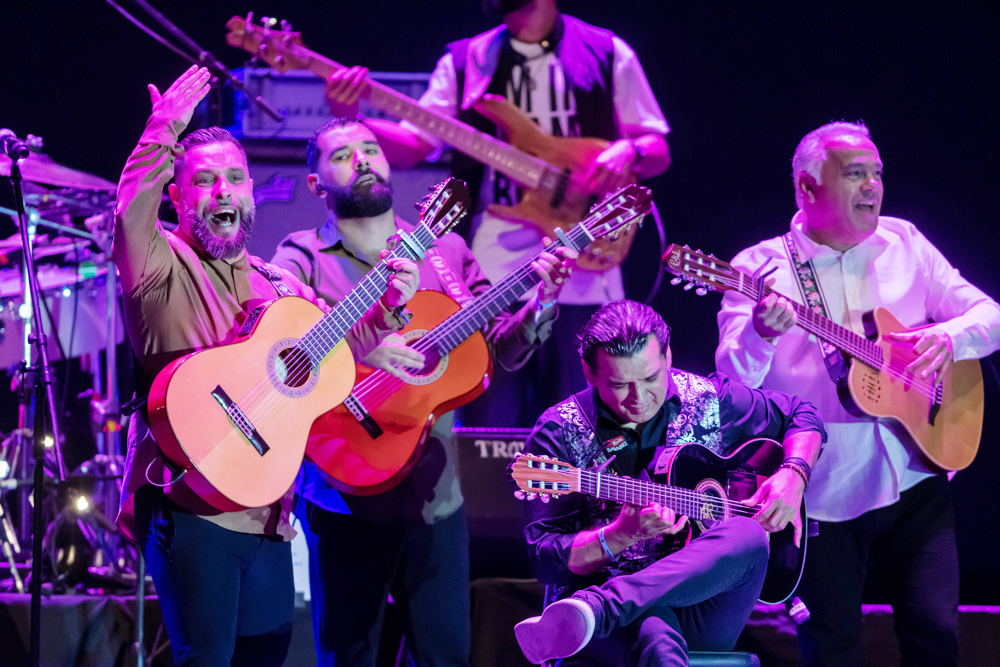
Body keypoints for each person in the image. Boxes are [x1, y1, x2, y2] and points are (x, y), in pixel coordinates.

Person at [113, 66, 419, 666]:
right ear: (176, 196)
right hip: (189, 501)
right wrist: (162, 128)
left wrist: (389, 307)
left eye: (234, 179)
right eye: (204, 181)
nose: (223, 191)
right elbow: (130, 212)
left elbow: (334, 351)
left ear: (252, 191)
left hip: (268, 516)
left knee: (268, 654)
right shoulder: (156, 264)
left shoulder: (276, 284)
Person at [269, 116, 576, 666]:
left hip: (437, 497)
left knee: (446, 657)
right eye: (343, 155)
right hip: (344, 489)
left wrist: (542, 301)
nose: (363, 159)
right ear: (316, 184)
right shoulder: (302, 255)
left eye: (371, 149)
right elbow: (280, 332)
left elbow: (499, 348)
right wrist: (363, 346)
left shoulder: (447, 252)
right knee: (350, 656)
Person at [715, 121, 1000, 666]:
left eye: (877, 174)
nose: (873, 186)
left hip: (918, 469)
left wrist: (947, 337)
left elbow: (990, 314)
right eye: (855, 174)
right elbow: (733, 385)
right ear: (808, 187)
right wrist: (762, 333)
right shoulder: (759, 269)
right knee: (834, 646)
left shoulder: (905, 242)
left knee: (937, 635)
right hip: (823, 489)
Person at [323, 0, 671, 427]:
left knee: (583, 420)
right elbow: (416, 144)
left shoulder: (607, 51)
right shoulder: (467, 58)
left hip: (586, 261)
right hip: (491, 265)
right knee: (489, 420)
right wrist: (353, 118)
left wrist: (629, 149)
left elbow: (657, 148)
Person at [516, 299, 826, 665]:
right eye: (620, 384)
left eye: (650, 378)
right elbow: (545, 559)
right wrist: (618, 534)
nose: (639, 398)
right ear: (589, 373)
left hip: (704, 606)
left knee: (750, 536)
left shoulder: (711, 398)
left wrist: (794, 473)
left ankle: (601, 607)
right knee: (657, 639)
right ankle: (601, 609)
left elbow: (802, 414)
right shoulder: (560, 431)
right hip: (615, 625)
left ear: (667, 358)